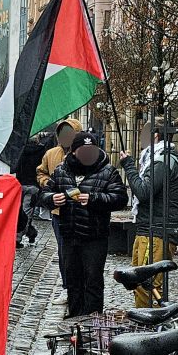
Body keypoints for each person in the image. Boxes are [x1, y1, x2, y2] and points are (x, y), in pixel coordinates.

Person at [40, 132, 129, 318]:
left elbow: (120, 199)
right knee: (73, 281)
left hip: (94, 237)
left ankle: (91, 321)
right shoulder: (61, 171)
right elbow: (43, 195)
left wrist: (94, 198)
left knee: (93, 281)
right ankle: (74, 320)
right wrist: (51, 199)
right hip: (69, 235)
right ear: (74, 153)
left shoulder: (108, 171)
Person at [119, 117, 178, 307]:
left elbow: (143, 192)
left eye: (143, 133)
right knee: (138, 281)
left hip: (157, 232)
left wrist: (129, 167)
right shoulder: (154, 159)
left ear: (155, 136)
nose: (140, 137)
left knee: (148, 285)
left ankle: (148, 329)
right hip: (147, 228)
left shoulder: (161, 162)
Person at [38, 117, 83, 305]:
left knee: (81, 251)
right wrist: (47, 183)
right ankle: (67, 287)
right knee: (64, 251)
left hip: (81, 211)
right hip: (59, 212)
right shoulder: (51, 154)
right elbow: (41, 173)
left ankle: (82, 288)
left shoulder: (84, 153)